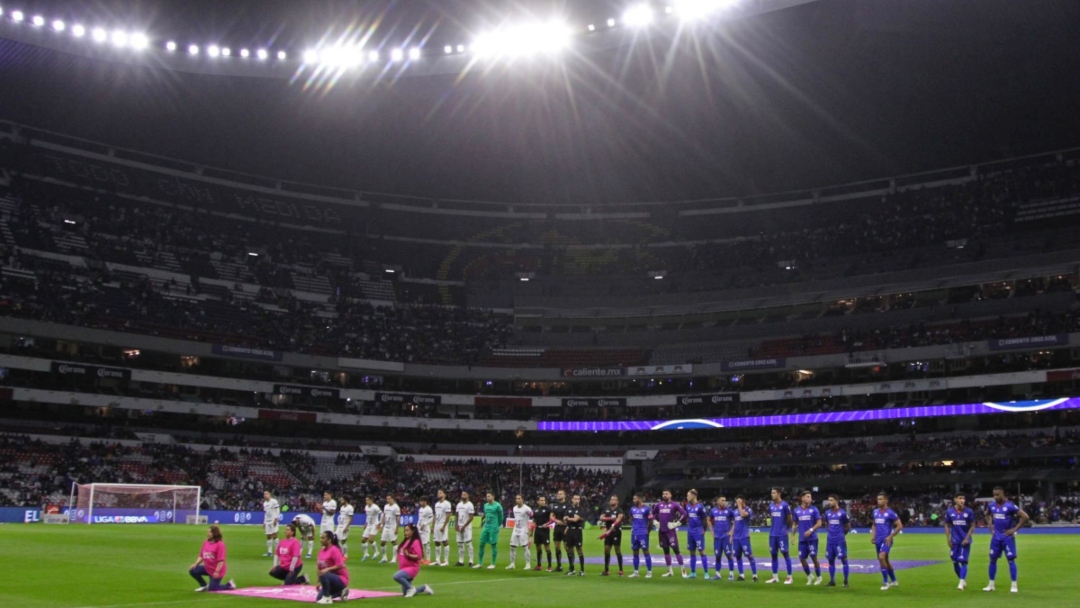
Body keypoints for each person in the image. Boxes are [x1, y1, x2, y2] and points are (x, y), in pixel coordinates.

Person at [983, 486, 1029, 593]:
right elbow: (987, 515)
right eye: (994, 495)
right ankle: (991, 585)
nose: (995, 497)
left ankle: (1014, 585)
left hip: (1007, 538)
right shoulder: (992, 505)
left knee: (1011, 560)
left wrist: (1014, 529)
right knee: (992, 560)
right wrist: (990, 526)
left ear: (1003, 494)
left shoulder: (1010, 506)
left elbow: (1025, 517)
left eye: (997, 494)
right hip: (996, 538)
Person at [189, 525, 236, 592]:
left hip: (217, 570)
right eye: (208, 532)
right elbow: (202, 555)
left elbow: (221, 560)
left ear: (215, 533)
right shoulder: (206, 542)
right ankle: (204, 585)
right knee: (193, 570)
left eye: (210, 532)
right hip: (208, 568)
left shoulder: (220, 544)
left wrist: (217, 571)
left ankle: (229, 585)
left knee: (213, 588)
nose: (208, 533)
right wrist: (196, 564)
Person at [393, 524, 435, 597]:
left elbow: (419, 556)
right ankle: (423, 588)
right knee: (405, 593)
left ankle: (411, 589)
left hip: (412, 568)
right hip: (403, 567)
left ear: (412, 531)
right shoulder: (405, 541)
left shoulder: (415, 542)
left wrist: (408, 555)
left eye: (407, 530)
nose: (405, 532)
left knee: (396, 576)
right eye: (405, 531)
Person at [944, 492, 976, 590]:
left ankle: (961, 583)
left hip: (965, 541)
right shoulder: (950, 512)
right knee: (954, 561)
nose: (962, 500)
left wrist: (967, 538)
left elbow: (973, 525)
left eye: (963, 498)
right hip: (955, 541)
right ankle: (962, 579)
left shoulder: (969, 511)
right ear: (955, 499)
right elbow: (947, 525)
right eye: (960, 498)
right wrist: (948, 539)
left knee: (963, 561)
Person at [873, 492, 903, 591]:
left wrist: (890, 536)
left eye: (881, 499)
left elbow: (899, 526)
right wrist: (873, 536)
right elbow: (874, 524)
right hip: (878, 540)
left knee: (881, 557)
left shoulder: (890, 513)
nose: (879, 501)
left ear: (886, 500)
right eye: (878, 499)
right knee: (885, 560)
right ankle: (894, 580)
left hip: (886, 540)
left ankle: (885, 582)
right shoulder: (875, 512)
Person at [793, 490, 824, 585]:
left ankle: (819, 577)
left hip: (812, 538)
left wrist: (811, 530)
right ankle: (809, 576)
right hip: (802, 539)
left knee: (814, 557)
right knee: (802, 558)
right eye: (807, 496)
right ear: (802, 498)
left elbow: (819, 523)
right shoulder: (796, 510)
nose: (810, 499)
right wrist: (792, 536)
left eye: (810, 497)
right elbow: (795, 524)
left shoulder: (814, 509)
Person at [654, 489, 687, 577]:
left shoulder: (674, 505)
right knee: (666, 551)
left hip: (670, 531)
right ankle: (669, 571)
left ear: (670, 495)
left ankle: (683, 571)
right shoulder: (659, 505)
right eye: (663, 494)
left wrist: (677, 523)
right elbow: (651, 514)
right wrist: (655, 522)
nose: (664, 495)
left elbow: (684, 514)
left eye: (666, 494)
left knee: (676, 550)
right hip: (662, 531)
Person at [765, 487, 793, 584]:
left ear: (779, 494)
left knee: (785, 554)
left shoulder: (785, 505)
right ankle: (775, 577)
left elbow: (790, 518)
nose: (772, 494)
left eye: (774, 493)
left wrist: (785, 528)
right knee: (773, 555)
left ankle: (789, 577)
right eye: (771, 493)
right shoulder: (771, 506)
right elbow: (772, 518)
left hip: (782, 534)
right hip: (772, 534)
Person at [823, 494, 851, 588]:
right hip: (830, 541)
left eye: (831, 500)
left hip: (839, 541)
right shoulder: (827, 513)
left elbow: (848, 526)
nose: (829, 502)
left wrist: (842, 535)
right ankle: (832, 581)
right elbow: (827, 525)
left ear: (836, 501)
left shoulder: (842, 513)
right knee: (830, 560)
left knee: (843, 559)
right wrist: (831, 533)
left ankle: (846, 581)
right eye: (829, 500)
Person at [315, 531, 349, 605]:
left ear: (329, 540)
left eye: (323, 538)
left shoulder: (335, 550)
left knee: (324, 573)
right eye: (321, 537)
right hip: (329, 578)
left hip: (340, 579)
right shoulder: (321, 551)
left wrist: (328, 569)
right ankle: (341, 592)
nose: (321, 539)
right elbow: (319, 567)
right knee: (318, 598)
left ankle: (327, 598)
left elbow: (340, 565)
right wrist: (318, 582)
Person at [708, 496, 736, 581]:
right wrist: (712, 532)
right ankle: (717, 574)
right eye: (722, 500)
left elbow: (736, 519)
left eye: (725, 500)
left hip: (725, 537)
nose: (724, 502)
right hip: (717, 537)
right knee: (717, 556)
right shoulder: (713, 511)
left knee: (729, 555)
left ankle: (731, 574)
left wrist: (731, 531)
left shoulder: (729, 511)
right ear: (717, 501)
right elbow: (708, 520)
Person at [627, 493, 654, 578]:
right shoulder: (632, 509)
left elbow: (651, 521)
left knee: (646, 551)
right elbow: (631, 518)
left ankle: (649, 572)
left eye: (635, 499)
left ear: (640, 499)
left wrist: (648, 531)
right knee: (635, 552)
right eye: (633, 498)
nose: (633, 500)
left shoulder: (646, 509)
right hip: (634, 533)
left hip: (643, 533)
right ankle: (636, 572)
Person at [732, 495, 758, 582]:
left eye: (739, 501)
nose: (737, 503)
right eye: (737, 502)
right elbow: (735, 524)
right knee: (738, 557)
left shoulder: (748, 510)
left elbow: (743, 514)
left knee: (749, 556)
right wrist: (731, 535)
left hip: (744, 537)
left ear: (743, 501)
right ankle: (741, 575)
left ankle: (754, 575)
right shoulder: (735, 512)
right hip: (736, 538)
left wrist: (739, 505)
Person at [475, 492, 504, 569]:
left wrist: (497, 525)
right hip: (486, 526)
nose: (487, 498)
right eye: (486, 496)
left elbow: (501, 517)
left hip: (493, 527)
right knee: (481, 543)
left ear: (493, 496)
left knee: (493, 544)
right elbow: (486, 515)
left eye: (489, 496)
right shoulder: (485, 506)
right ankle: (480, 563)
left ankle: (493, 563)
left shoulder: (498, 506)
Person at [684, 489, 709, 579]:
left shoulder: (700, 506)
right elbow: (687, 516)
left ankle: (706, 573)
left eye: (688, 495)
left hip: (698, 532)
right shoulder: (687, 506)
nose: (687, 497)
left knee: (702, 552)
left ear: (694, 496)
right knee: (692, 552)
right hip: (690, 532)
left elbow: (705, 519)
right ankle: (693, 572)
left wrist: (704, 530)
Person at [598, 494, 625, 577]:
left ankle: (621, 570)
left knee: (617, 550)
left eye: (614, 500)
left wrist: (613, 522)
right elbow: (601, 518)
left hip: (616, 532)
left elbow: (619, 519)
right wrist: (610, 519)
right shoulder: (606, 509)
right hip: (608, 532)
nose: (612, 501)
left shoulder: (619, 510)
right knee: (606, 550)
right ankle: (606, 570)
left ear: (617, 501)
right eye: (611, 499)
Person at [507, 494, 534, 570]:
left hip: (523, 530)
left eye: (519, 498)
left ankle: (528, 564)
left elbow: (532, 515)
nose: (517, 500)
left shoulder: (527, 508)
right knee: (512, 547)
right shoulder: (514, 508)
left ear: (522, 500)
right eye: (516, 498)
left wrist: (531, 526)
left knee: (525, 547)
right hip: (515, 530)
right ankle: (512, 564)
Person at [549, 489, 570, 572]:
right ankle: (559, 566)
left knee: (567, 547)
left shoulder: (568, 505)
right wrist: (556, 521)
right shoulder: (555, 505)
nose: (559, 495)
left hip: (565, 527)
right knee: (557, 547)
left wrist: (566, 521)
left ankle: (571, 566)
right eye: (558, 494)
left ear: (564, 495)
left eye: (561, 494)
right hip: (557, 527)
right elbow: (551, 516)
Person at [454, 491, 476, 567]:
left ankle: (471, 561)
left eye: (464, 494)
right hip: (459, 526)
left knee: (468, 544)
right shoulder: (459, 504)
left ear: (468, 495)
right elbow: (456, 515)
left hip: (467, 528)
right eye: (462, 494)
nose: (463, 495)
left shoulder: (470, 505)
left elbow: (471, 517)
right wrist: (456, 524)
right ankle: (461, 561)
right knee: (460, 544)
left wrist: (464, 526)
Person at [532, 495, 553, 571]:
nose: (543, 501)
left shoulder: (548, 509)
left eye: (544, 500)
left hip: (545, 530)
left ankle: (550, 566)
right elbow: (534, 520)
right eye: (541, 500)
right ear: (537, 501)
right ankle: (539, 565)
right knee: (538, 548)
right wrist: (532, 529)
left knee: (547, 548)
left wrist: (547, 524)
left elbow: (552, 519)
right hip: (537, 530)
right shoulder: (536, 510)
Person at [379, 494, 402, 564]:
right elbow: (384, 515)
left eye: (389, 499)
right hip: (386, 527)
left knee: (393, 542)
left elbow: (398, 518)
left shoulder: (396, 507)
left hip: (393, 527)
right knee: (382, 542)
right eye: (387, 499)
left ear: (393, 499)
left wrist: (397, 528)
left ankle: (394, 558)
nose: (387, 500)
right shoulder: (386, 506)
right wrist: (381, 525)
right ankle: (384, 558)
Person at [433, 490, 453, 567]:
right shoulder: (436, 504)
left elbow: (448, 515)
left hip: (442, 524)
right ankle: (437, 560)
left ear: (444, 494)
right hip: (436, 524)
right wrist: (432, 526)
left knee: (444, 541)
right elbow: (435, 515)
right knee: (436, 542)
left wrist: (444, 526)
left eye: (440, 493)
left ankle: (446, 560)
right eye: (438, 493)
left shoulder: (447, 504)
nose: (438, 494)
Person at [362, 496, 383, 561]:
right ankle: (366, 554)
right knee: (363, 540)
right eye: (366, 500)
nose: (366, 501)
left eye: (368, 500)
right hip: (369, 525)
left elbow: (382, 514)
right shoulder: (366, 507)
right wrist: (366, 523)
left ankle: (376, 552)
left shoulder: (375, 507)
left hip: (375, 524)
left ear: (371, 500)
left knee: (370, 539)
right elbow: (368, 516)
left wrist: (380, 524)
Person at [263, 491, 281, 557]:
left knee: (274, 535)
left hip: (273, 521)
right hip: (267, 521)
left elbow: (278, 510)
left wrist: (276, 519)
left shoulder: (274, 501)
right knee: (268, 536)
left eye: (266, 494)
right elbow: (265, 513)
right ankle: (269, 552)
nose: (265, 495)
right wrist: (264, 522)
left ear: (269, 494)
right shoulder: (264, 503)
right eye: (264, 494)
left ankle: (278, 551)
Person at [418, 496, 435, 564]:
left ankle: (428, 559)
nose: (420, 503)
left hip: (426, 529)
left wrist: (424, 524)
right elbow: (420, 519)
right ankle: (421, 558)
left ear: (425, 501)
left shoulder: (429, 509)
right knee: (420, 544)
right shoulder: (420, 509)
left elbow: (431, 518)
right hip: (420, 528)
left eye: (422, 501)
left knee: (426, 544)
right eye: (420, 501)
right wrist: (417, 526)